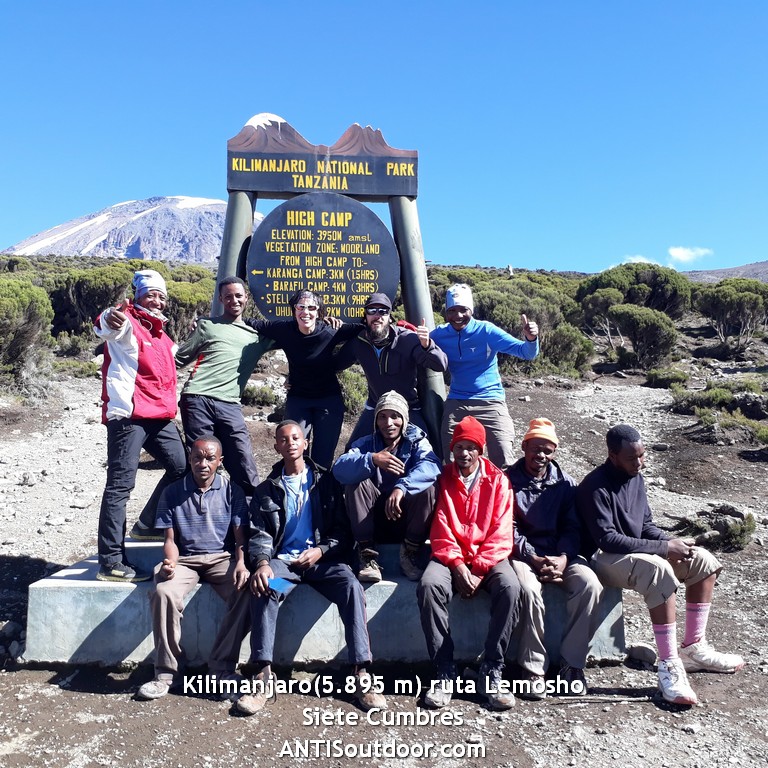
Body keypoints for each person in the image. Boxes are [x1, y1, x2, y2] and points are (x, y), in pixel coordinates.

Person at [576, 424, 744, 706]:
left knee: (702, 560)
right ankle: (669, 666)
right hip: (599, 559)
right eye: (632, 458)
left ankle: (694, 649)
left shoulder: (636, 478)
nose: (639, 463)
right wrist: (665, 549)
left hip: (632, 553)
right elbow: (607, 539)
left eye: (642, 456)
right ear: (612, 455)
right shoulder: (594, 486)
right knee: (658, 569)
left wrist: (672, 542)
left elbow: (645, 526)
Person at [235, 420, 386, 715]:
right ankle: (263, 675)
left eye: (296, 438)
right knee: (266, 588)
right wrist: (263, 564)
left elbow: (342, 531)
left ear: (305, 444)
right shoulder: (267, 489)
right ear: (276, 447)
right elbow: (260, 534)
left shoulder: (325, 482)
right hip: (286, 569)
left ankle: (361, 672)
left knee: (351, 587)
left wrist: (320, 550)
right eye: (284, 439)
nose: (290, 443)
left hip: (322, 567)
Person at [417, 416, 521, 711]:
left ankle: (492, 668)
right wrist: (458, 565)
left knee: (511, 587)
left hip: (488, 557)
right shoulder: (442, 478)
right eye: (458, 447)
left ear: (481, 450)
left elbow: (501, 532)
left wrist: (478, 569)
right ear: (451, 449)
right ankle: (444, 670)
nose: (464, 453)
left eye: (470, 447)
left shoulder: (498, 480)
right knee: (429, 585)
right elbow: (440, 527)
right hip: (450, 556)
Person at [136, 436, 250, 700]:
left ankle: (221, 668)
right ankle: (167, 673)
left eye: (210, 458)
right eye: (197, 458)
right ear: (190, 459)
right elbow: (170, 540)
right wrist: (170, 563)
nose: (203, 464)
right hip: (185, 559)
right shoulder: (172, 492)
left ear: (220, 461)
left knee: (246, 592)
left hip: (221, 558)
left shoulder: (232, 491)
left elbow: (240, 539)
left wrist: (242, 563)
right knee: (163, 592)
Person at [93, 269, 187, 582]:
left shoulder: (163, 337)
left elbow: (182, 360)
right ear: (138, 297)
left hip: (159, 416)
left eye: (161, 296)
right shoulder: (128, 323)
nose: (156, 301)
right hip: (129, 416)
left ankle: (147, 524)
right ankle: (110, 561)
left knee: (182, 467)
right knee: (120, 486)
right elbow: (107, 325)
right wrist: (109, 316)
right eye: (150, 295)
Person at [506, 418, 602, 698]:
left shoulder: (565, 484)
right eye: (536, 448)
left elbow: (572, 526)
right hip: (523, 555)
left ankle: (572, 665)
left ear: (554, 452)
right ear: (524, 446)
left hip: (560, 555)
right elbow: (507, 526)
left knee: (590, 585)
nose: (541, 455)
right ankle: (533, 668)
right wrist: (532, 556)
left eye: (547, 450)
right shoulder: (507, 481)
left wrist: (563, 557)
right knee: (527, 590)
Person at [160, 277, 271, 509]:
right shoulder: (207, 326)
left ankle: (251, 515)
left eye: (238, 296)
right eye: (228, 296)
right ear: (220, 299)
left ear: (246, 298)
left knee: (242, 458)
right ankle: (197, 514)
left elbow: (299, 339)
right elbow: (177, 360)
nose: (234, 300)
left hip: (230, 403)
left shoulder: (258, 336)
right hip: (197, 399)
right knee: (202, 459)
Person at [332, 390, 441, 583]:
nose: (388, 423)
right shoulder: (365, 444)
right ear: (375, 420)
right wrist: (371, 460)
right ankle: (367, 555)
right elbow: (339, 469)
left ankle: (410, 552)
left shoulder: (417, 443)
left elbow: (431, 466)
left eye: (395, 416)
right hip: (372, 522)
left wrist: (402, 487)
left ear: (404, 419)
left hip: (406, 520)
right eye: (382, 417)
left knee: (428, 487)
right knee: (354, 482)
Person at [246, 289, 360, 469]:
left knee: (323, 459)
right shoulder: (284, 329)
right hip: (298, 399)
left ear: (318, 311)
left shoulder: (331, 330)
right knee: (294, 454)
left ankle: (321, 486)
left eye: (311, 308)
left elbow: (367, 328)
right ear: (294, 309)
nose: (305, 312)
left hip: (329, 401)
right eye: (301, 307)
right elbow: (252, 323)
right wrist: (212, 322)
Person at [430, 283, 539, 468]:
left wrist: (531, 338)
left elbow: (526, 352)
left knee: (503, 456)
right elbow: (419, 346)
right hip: (457, 400)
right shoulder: (439, 335)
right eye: (452, 310)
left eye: (463, 310)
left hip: (490, 400)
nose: (458, 316)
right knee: (450, 459)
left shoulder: (486, 331)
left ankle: (503, 486)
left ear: (471, 310)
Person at [334, 292, 447, 446]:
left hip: (407, 408)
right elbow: (334, 365)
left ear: (389, 317)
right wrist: (327, 330)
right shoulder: (358, 342)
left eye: (383, 311)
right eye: (372, 310)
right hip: (375, 406)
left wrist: (427, 345)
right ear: (365, 316)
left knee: (425, 451)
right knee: (352, 449)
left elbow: (440, 365)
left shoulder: (407, 339)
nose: (377, 316)